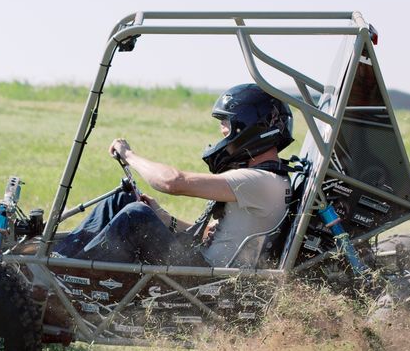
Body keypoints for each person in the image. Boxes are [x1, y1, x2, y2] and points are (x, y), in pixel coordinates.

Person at [52, 84, 293, 267]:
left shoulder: (261, 182)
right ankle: (58, 262)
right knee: (124, 201)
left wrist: (129, 155)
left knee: (136, 216)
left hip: (206, 283)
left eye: (227, 125)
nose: (222, 132)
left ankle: (69, 277)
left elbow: (173, 182)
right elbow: (214, 233)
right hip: (201, 270)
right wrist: (166, 218)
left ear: (251, 128)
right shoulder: (264, 180)